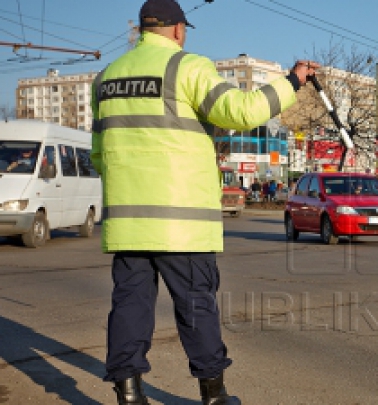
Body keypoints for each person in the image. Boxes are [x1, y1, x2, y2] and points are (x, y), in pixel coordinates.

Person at [90, 0, 320, 403]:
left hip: (127, 222)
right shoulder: (186, 67)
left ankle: (128, 395)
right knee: (196, 308)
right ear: (178, 30)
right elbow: (242, 111)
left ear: (142, 29)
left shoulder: (106, 78)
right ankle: (214, 396)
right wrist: (291, 81)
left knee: (129, 306)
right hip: (182, 223)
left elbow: (97, 152)